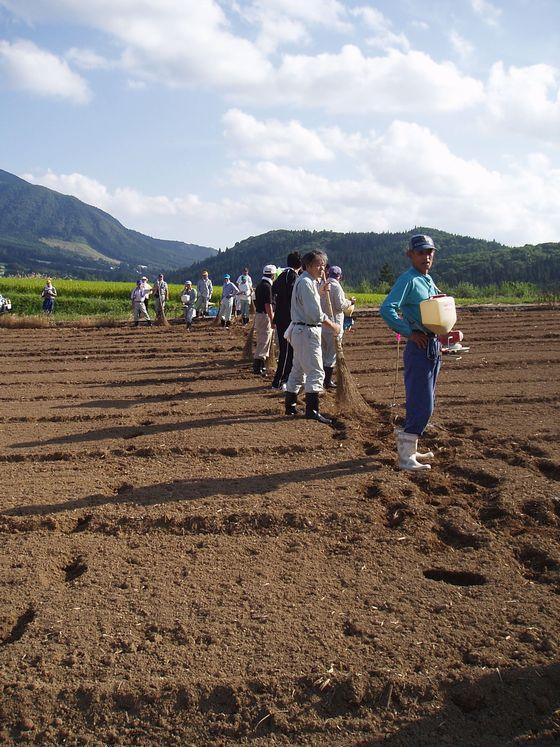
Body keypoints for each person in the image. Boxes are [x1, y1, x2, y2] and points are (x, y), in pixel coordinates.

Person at [379, 234, 442, 471]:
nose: (426, 257)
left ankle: (411, 449)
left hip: (433, 345)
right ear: (410, 255)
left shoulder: (426, 279)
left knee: (428, 400)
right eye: (421, 252)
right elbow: (387, 308)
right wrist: (409, 332)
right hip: (419, 347)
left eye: (430, 252)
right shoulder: (408, 280)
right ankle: (406, 459)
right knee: (421, 402)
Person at [284, 250, 340, 424]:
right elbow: (315, 314)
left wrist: (321, 291)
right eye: (318, 264)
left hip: (300, 331)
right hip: (307, 332)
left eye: (323, 264)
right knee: (316, 371)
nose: (321, 267)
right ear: (308, 265)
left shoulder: (307, 282)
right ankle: (312, 410)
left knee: (298, 369)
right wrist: (333, 325)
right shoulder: (306, 283)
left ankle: (291, 406)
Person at [320, 265, 356, 389]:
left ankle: (322, 379)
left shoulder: (323, 285)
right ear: (339, 276)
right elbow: (340, 305)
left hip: (322, 324)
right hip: (333, 324)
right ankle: (327, 381)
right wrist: (350, 302)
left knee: (323, 353)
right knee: (331, 354)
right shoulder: (336, 287)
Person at [271, 251, 301, 390]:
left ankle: (283, 378)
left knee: (285, 350)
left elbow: (274, 288)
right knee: (287, 350)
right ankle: (280, 380)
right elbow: (292, 294)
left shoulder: (283, 274)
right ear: (299, 264)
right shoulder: (293, 276)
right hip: (288, 318)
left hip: (280, 316)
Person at [253, 264, 276, 375]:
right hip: (264, 316)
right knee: (264, 341)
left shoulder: (260, 285)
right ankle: (258, 367)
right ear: (272, 275)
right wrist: (272, 320)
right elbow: (268, 305)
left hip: (259, 315)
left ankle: (260, 365)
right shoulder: (267, 286)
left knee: (263, 340)